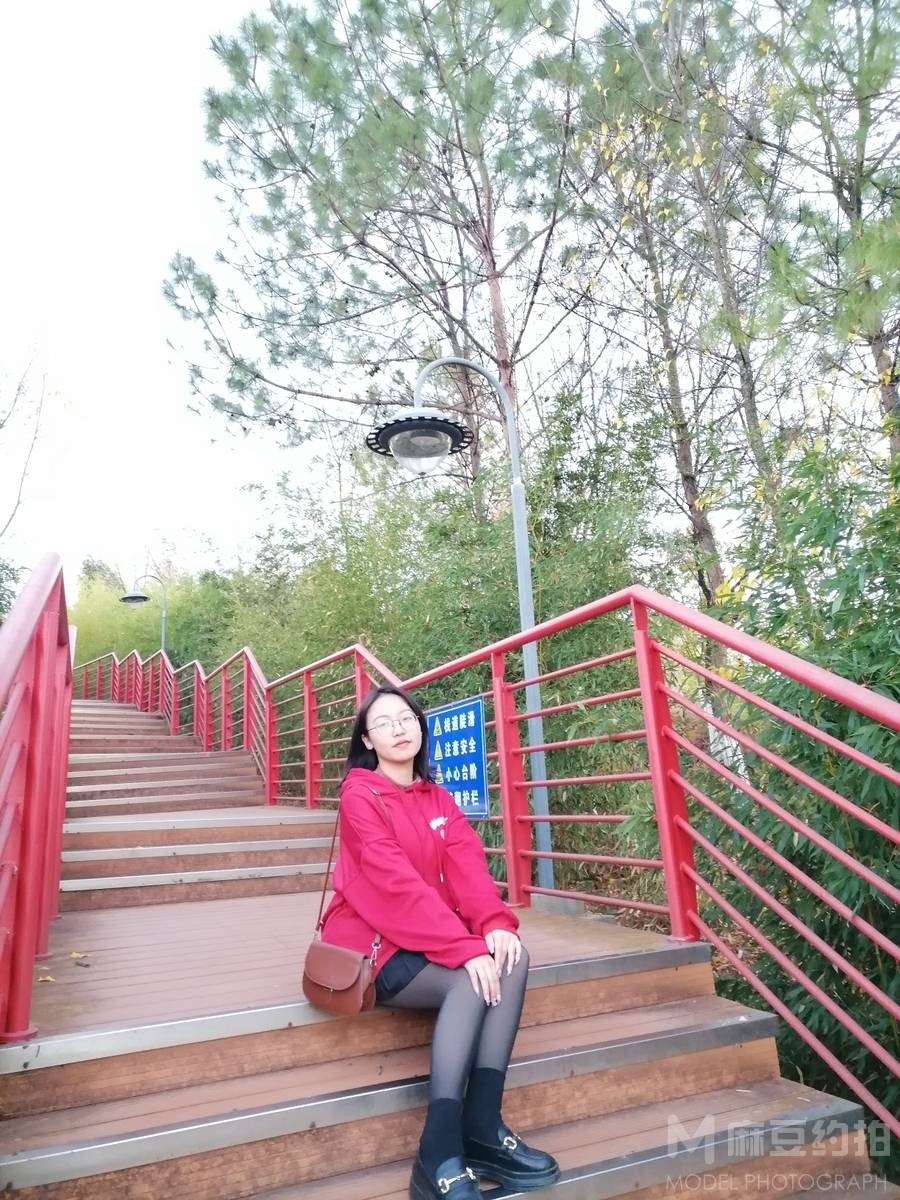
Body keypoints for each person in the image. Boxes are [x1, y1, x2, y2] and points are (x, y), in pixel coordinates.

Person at [320, 684, 560, 1199]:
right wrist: (463, 947)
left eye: (406, 718)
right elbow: (393, 883)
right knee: (471, 980)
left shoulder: (436, 797)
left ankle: (484, 1128)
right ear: (368, 739)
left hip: (426, 933)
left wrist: (493, 923)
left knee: (512, 958)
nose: (398, 729)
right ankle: (439, 1152)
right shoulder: (360, 795)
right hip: (374, 942)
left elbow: (467, 865)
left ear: (420, 727)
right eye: (384, 723)